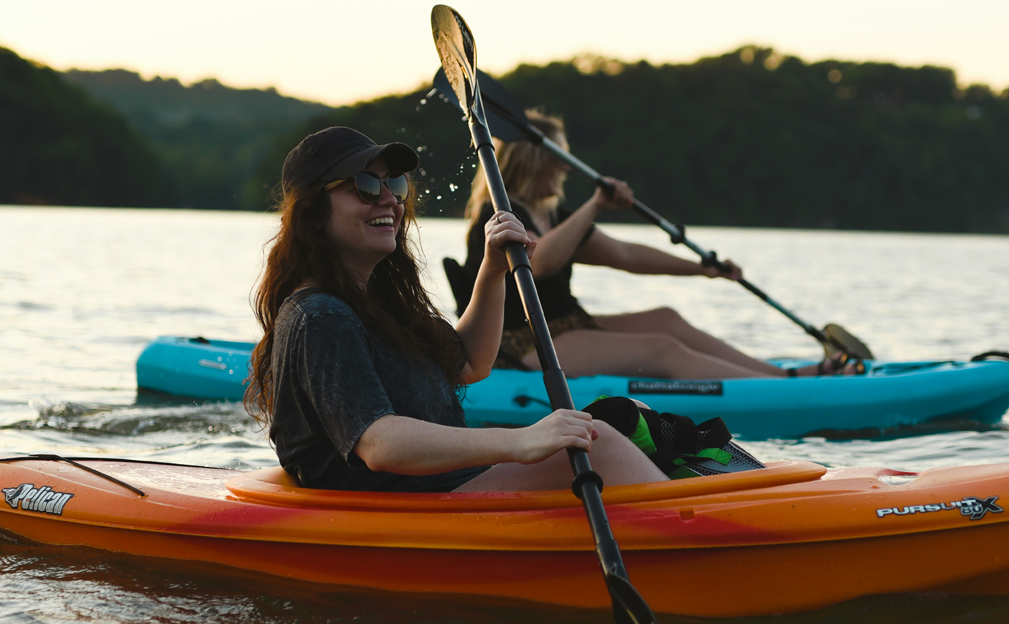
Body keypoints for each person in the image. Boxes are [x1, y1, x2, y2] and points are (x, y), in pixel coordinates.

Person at [245, 127, 669, 493]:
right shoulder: (320, 316)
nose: (389, 200)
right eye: (365, 187)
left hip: (440, 486)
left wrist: (491, 271)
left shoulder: (377, 304)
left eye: (394, 185)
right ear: (314, 214)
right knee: (602, 442)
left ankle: (713, 498)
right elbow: (379, 443)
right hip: (395, 506)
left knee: (629, 415)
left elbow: (469, 363)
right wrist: (520, 441)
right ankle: (708, 533)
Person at [462, 111, 854, 379]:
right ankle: (782, 389)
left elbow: (627, 255)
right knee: (661, 348)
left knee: (666, 318)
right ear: (534, 160)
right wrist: (596, 204)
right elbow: (539, 261)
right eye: (560, 157)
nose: (567, 166)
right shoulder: (496, 217)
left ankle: (784, 376)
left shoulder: (557, 215)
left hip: (566, 326)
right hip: (521, 344)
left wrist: (704, 269)